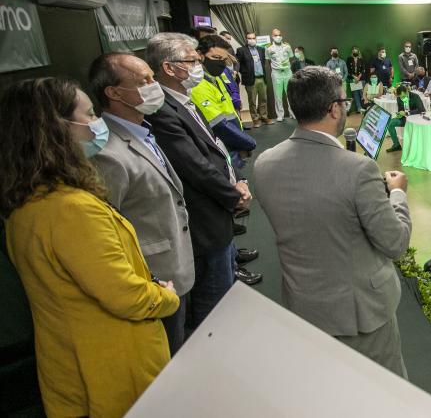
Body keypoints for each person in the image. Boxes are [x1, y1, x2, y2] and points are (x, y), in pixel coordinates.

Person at [0, 77, 179, 417]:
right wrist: (165, 296)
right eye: (89, 113)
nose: (98, 122)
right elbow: (125, 295)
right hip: (113, 366)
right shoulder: (71, 210)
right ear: (55, 129)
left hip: (72, 363)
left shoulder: (24, 205)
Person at [252, 67, 412, 377]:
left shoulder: (264, 163)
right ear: (334, 108)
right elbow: (396, 243)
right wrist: (397, 195)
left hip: (304, 307)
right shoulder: (358, 170)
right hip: (360, 315)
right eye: (344, 102)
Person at [87, 53, 194, 354]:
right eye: (143, 81)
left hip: (176, 266)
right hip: (154, 281)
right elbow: (108, 234)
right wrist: (146, 285)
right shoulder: (107, 155)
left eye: (152, 77)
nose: (153, 85)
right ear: (113, 93)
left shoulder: (143, 129)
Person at [144, 33, 252, 327]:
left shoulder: (184, 99)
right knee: (213, 304)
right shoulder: (163, 111)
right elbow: (196, 167)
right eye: (192, 61)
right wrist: (234, 195)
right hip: (206, 218)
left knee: (225, 287)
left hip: (220, 212)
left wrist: (237, 180)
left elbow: (214, 146)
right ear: (169, 68)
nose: (199, 65)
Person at [192, 35, 258, 172]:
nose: (220, 63)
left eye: (223, 59)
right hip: (221, 146)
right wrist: (248, 142)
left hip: (232, 144)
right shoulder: (198, 85)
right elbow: (219, 125)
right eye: (216, 58)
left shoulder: (215, 77)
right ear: (200, 55)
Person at [235, 32, 271, 127]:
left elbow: (263, 62)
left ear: (256, 39)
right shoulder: (241, 50)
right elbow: (237, 62)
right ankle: (255, 119)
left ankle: (264, 117)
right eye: (249, 38)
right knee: (252, 101)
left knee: (263, 99)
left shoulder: (261, 49)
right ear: (246, 39)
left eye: (253, 38)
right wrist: (240, 71)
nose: (251, 40)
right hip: (250, 79)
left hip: (262, 78)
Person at [265, 29, 295, 122]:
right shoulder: (268, 48)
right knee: (278, 95)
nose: (278, 37)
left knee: (290, 94)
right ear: (272, 36)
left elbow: (290, 57)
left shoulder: (287, 46)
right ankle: (280, 115)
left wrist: (286, 66)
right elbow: (268, 60)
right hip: (276, 72)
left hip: (287, 72)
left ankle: (292, 113)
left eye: (279, 35)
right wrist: (276, 68)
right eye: (276, 35)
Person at [385, 84, 425, 153]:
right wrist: (399, 114)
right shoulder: (399, 98)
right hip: (404, 119)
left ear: (407, 92)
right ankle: (396, 145)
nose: (402, 99)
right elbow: (400, 110)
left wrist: (407, 113)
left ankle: (416, 147)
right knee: (390, 123)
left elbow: (422, 109)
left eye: (403, 96)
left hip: (415, 120)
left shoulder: (415, 96)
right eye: (401, 97)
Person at [347, 46, 367, 114]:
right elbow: (348, 70)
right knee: (355, 95)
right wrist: (354, 77)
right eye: (354, 51)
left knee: (362, 94)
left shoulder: (361, 59)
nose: (355, 52)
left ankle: (364, 107)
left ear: (358, 52)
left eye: (356, 51)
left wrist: (358, 77)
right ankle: (359, 108)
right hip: (353, 79)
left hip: (361, 79)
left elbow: (363, 69)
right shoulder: (349, 59)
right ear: (352, 52)